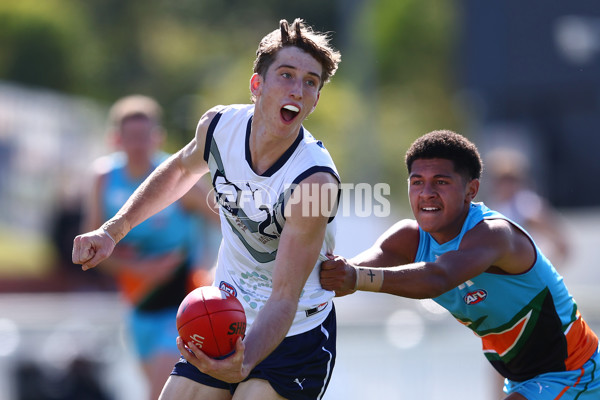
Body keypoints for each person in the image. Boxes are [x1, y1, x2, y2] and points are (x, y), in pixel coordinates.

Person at [73, 18, 342, 400]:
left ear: (316, 99)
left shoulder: (314, 182)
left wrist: (244, 363)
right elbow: (181, 169)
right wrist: (112, 230)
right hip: (225, 318)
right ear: (257, 85)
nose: (298, 90)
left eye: (311, 82)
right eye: (286, 75)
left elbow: (284, 297)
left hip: (295, 335)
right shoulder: (219, 127)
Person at [320, 130, 600, 399]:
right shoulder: (408, 238)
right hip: (521, 377)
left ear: (471, 190)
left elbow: (439, 277)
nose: (426, 193)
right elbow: (347, 275)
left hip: (576, 373)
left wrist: (355, 278)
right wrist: (321, 272)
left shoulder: (493, 233)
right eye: (417, 182)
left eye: (441, 182)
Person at [81, 94, 219, 400]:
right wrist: (138, 269)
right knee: (156, 391)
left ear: (158, 137)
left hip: (183, 307)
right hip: (137, 305)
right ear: (115, 138)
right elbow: (89, 250)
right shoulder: (103, 179)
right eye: (131, 136)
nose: (139, 144)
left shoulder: (176, 178)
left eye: (146, 136)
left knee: (161, 394)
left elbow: (227, 223)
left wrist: (214, 270)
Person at [484, 147, 570, 266]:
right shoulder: (495, 204)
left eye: (509, 180)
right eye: (500, 180)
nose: (504, 186)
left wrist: (545, 267)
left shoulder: (525, 204)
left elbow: (561, 243)